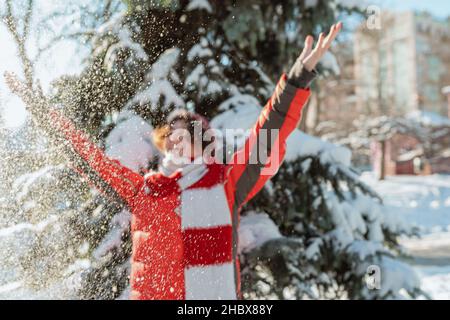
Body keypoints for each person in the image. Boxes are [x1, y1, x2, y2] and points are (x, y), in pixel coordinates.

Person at [5, 22, 342, 300]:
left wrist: (297, 79)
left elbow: (267, 138)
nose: (177, 139)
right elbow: (87, 156)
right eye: (172, 134)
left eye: (188, 134)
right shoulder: (143, 191)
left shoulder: (227, 184)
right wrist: (40, 110)